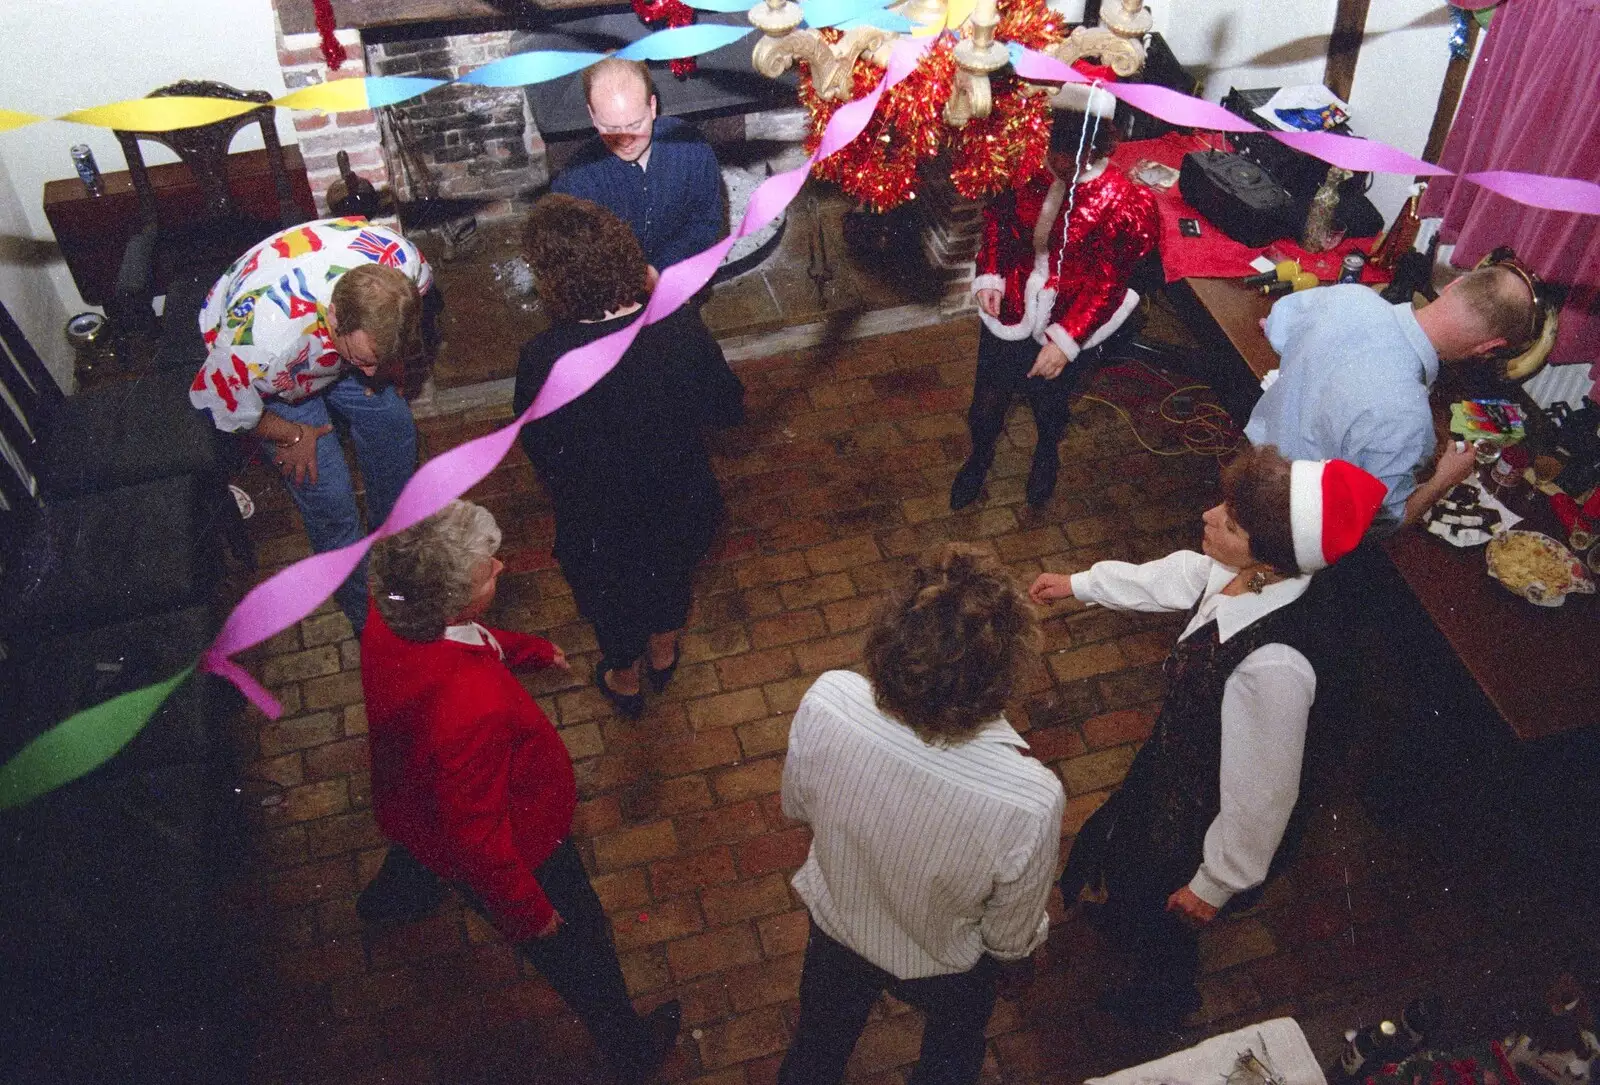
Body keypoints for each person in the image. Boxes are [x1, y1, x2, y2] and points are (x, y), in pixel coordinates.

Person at [1029, 446, 1386, 1027]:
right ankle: (1129, 915)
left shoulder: (1275, 667)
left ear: (1266, 557)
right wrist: (1081, 584)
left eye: (1231, 520)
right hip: (1177, 769)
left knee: (1165, 915)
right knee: (1135, 875)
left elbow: (1263, 795)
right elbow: (1178, 576)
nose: (1208, 515)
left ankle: (1161, 1002)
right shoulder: (1251, 575)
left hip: (1202, 812)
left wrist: (1213, 885)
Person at [357, 500, 681, 1084]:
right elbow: (478, 839)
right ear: (454, 597)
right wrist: (533, 914)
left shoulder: (392, 611)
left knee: (420, 849)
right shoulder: (469, 710)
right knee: (582, 948)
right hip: (525, 839)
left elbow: (467, 637)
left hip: (410, 799)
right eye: (487, 568)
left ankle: (390, 902)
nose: (501, 567)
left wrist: (526, 649)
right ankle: (628, 1048)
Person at [778, 544, 1065, 1085]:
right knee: (950, 1060)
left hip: (838, 930)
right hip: (947, 966)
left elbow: (798, 808)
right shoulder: (1030, 799)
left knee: (815, 1048)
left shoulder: (828, 700)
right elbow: (1008, 938)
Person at [512, 194, 744, 718]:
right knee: (671, 576)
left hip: (600, 520)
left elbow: (542, 448)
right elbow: (729, 409)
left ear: (555, 281)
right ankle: (664, 652)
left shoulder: (544, 357)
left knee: (612, 602)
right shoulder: (679, 329)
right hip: (681, 500)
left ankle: (624, 677)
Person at [190, 216, 434, 633]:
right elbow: (223, 406)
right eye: (363, 360)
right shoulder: (256, 344)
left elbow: (381, 352)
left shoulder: (408, 268)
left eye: (380, 360)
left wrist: (380, 367)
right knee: (331, 501)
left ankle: (392, 546)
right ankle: (368, 623)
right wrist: (292, 433)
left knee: (395, 427)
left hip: (324, 352)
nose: (372, 373)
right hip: (272, 379)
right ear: (334, 316)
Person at [955, 79, 1159, 510]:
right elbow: (997, 222)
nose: (1060, 165)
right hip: (1011, 302)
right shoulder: (1026, 168)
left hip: (1073, 314)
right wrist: (990, 273)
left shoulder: (1120, 201)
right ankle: (979, 458)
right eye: (1054, 154)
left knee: (1050, 407)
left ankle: (1046, 455)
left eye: (1073, 158)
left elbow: (1108, 284)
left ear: (1097, 151)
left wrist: (1066, 343)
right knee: (987, 402)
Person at [1245, 249, 1544, 533]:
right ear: (1488, 347)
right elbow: (1381, 523)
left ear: (1454, 284)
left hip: (1251, 463)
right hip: (1295, 524)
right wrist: (1445, 478)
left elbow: (1276, 326)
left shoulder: (1351, 295)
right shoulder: (1409, 419)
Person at [552, 56, 723, 273]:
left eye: (635, 125)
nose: (626, 141)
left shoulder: (690, 147)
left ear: (652, 107)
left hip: (679, 279)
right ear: (592, 116)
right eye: (611, 128)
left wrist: (663, 270)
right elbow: (571, 258)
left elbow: (706, 221)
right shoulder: (575, 181)